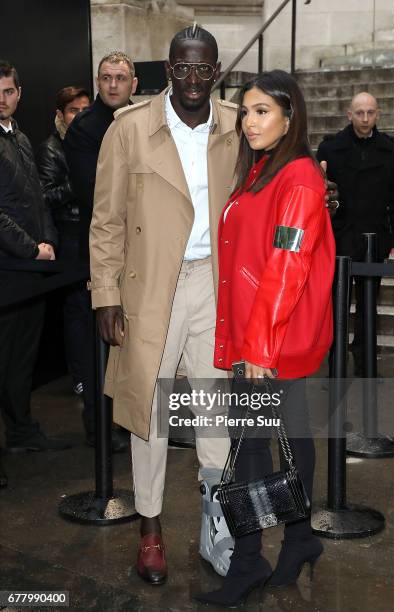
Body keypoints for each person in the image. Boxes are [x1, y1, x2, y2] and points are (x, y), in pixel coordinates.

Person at [90, 26, 239, 584]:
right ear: (168, 69)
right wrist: (105, 296)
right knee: (146, 411)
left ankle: (215, 522)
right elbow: (105, 222)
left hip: (214, 283)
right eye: (183, 67)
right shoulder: (130, 129)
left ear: (216, 70)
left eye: (204, 68)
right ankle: (149, 529)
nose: (193, 79)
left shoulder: (235, 125)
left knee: (214, 406)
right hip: (151, 285)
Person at [195, 70, 335, 607]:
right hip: (264, 336)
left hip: (271, 341)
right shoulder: (261, 171)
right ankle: (299, 540)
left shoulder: (297, 178)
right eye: (245, 111)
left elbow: (286, 265)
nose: (249, 122)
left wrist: (258, 346)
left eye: (261, 112)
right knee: (289, 442)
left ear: (289, 116)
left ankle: (249, 562)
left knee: (251, 451)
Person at [64, 52, 137, 451]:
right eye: (106, 77)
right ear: (97, 80)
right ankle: (100, 428)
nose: (113, 85)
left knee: (132, 344)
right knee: (98, 347)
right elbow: (97, 194)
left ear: (134, 84)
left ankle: (130, 423)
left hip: (138, 251)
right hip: (102, 251)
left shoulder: (140, 123)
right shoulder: (85, 129)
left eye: (121, 78)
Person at [0, 60, 69, 452]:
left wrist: (48, 240)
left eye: (8, 91)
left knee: (22, 358)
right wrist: (31, 247)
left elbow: (39, 200)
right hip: (8, 267)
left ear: (19, 94)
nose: (1, 100)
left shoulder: (22, 138)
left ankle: (22, 431)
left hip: (32, 267)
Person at [317, 92, 394, 375]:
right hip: (341, 234)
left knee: (370, 301)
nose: (365, 118)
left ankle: (366, 360)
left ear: (378, 114)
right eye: (360, 113)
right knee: (337, 302)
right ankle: (336, 364)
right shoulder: (330, 149)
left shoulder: (390, 150)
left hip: (375, 237)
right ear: (349, 114)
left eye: (370, 112)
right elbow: (320, 194)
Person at [37, 86, 90, 396]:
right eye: (73, 111)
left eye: (85, 110)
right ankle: (81, 378)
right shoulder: (52, 148)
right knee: (77, 311)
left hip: (92, 233)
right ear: (60, 115)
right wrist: (78, 181)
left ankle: (95, 377)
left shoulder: (89, 143)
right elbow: (46, 196)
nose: (79, 117)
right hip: (69, 237)